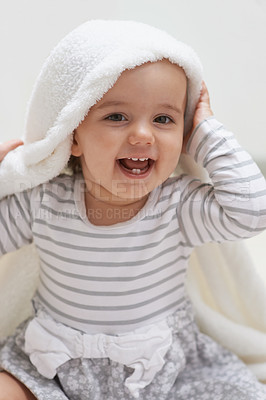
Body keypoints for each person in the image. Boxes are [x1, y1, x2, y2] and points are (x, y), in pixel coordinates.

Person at [0, 20, 266, 400]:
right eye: (116, 116)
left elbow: (253, 212)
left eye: (164, 119)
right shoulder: (44, 203)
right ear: (73, 135)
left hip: (162, 371)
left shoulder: (177, 206)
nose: (143, 135)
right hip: (51, 366)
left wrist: (205, 133)